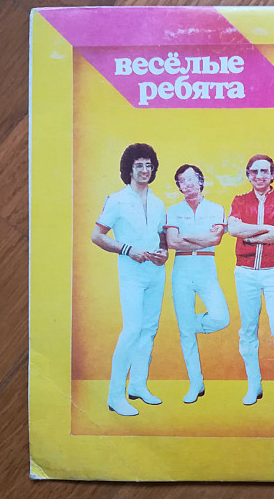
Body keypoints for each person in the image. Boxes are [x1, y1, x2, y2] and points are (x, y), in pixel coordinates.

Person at [91, 143, 168, 416]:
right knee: (132, 330)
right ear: (129, 169)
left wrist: (163, 253)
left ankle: (137, 385)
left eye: (149, 165)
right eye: (139, 165)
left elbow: (162, 237)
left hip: (155, 273)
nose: (145, 170)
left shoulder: (158, 203)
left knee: (149, 330)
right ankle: (115, 396)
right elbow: (97, 236)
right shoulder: (117, 200)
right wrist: (127, 249)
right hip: (132, 274)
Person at [228, 154, 274, 406]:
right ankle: (254, 385)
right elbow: (234, 229)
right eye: (254, 172)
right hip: (245, 272)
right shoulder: (239, 200)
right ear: (248, 175)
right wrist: (268, 229)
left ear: (272, 174)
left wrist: (251, 236)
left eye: (264, 171)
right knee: (248, 330)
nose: (259, 176)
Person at [165, 164, 230, 404]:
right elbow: (172, 242)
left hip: (206, 268)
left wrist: (185, 236)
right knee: (186, 335)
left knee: (221, 317)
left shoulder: (216, 208)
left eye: (191, 179)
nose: (187, 184)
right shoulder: (173, 210)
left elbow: (215, 239)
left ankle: (187, 325)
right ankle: (196, 383)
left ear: (201, 181)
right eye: (182, 181)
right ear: (179, 186)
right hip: (181, 270)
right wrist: (200, 238)